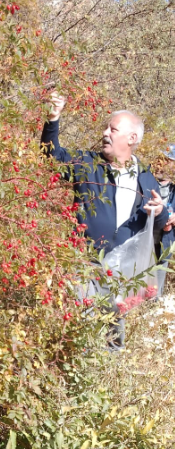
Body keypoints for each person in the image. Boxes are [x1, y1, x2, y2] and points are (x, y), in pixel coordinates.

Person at [41, 94, 169, 348]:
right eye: (106, 128)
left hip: (121, 275)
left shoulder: (146, 178)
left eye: (113, 129)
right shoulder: (88, 164)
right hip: (84, 265)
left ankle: (109, 367)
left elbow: (158, 227)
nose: (105, 133)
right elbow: (51, 157)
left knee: (112, 340)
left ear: (131, 138)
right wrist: (53, 118)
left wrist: (161, 213)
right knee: (80, 331)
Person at [154, 165, 175, 297]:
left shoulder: (173, 189)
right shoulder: (146, 183)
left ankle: (154, 304)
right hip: (144, 243)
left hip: (165, 244)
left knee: (156, 289)